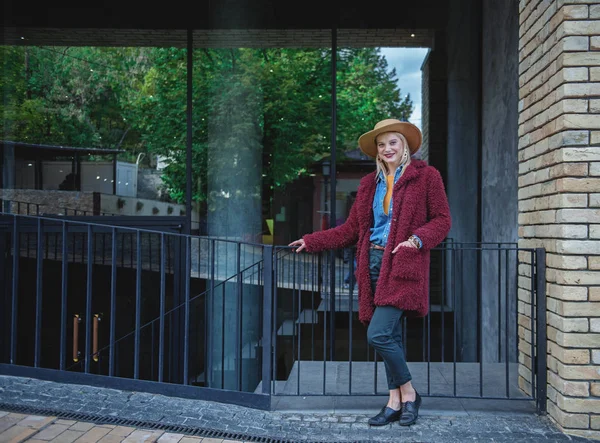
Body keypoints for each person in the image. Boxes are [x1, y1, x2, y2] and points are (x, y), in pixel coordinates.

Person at [289, 118, 451, 427]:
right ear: (376, 151)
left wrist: (415, 241)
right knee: (391, 336)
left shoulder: (426, 176)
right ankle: (395, 402)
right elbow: (351, 230)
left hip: (402, 263)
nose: (387, 148)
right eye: (381, 144)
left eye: (393, 142)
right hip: (373, 265)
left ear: (404, 146)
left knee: (378, 334)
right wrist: (312, 241)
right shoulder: (369, 185)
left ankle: (410, 393)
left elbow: (442, 220)